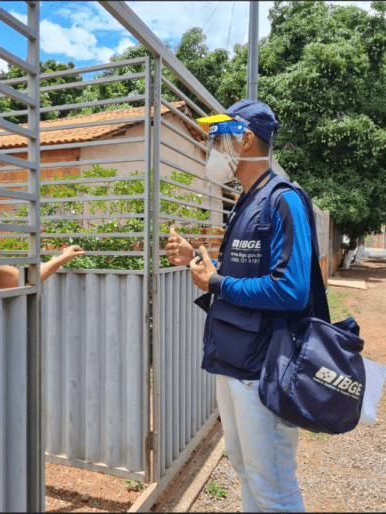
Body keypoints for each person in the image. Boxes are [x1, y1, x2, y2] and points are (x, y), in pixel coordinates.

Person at [166, 100, 313, 512]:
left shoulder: (284, 200)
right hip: (232, 359)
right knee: (247, 471)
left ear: (246, 140)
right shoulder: (245, 202)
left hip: (263, 368)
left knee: (274, 487)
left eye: (218, 139)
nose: (212, 149)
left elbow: (291, 290)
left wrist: (216, 281)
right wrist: (198, 260)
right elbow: (239, 277)